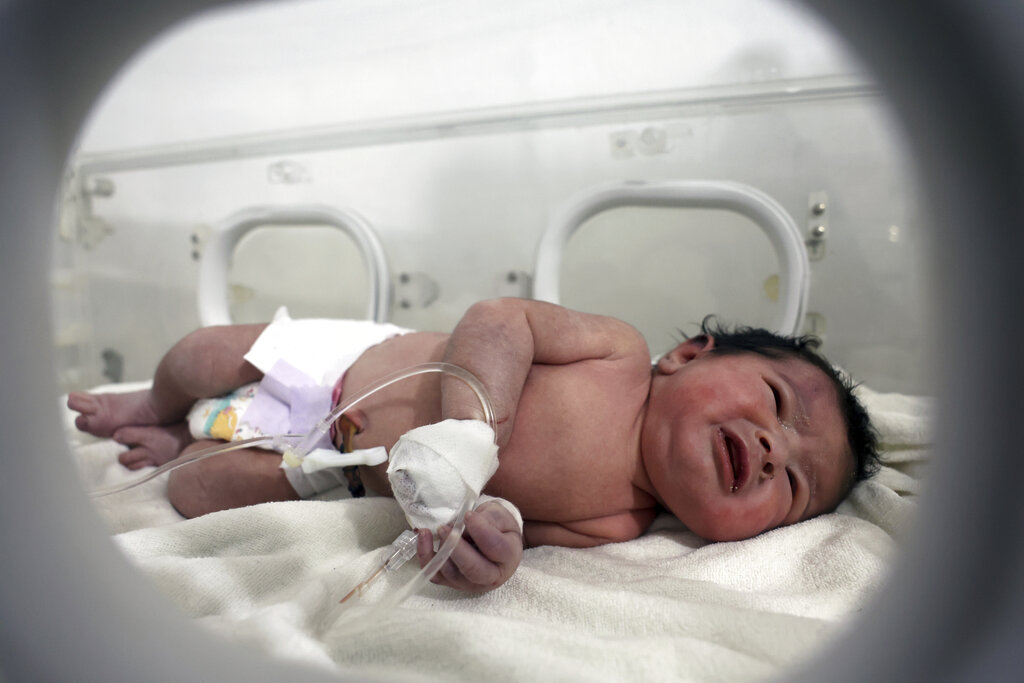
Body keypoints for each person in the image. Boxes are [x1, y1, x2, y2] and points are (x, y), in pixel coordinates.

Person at [68, 298, 880, 593]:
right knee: (202, 354)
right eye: (777, 403)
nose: (775, 450)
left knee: (194, 492)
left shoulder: (621, 521)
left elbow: (511, 523)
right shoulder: (619, 354)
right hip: (352, 368)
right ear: (689, 355)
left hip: (343, 474)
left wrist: (485, 544)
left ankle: (178, 440)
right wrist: (472, 428)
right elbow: (500, 320)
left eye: (796, 487)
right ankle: (155, 402)